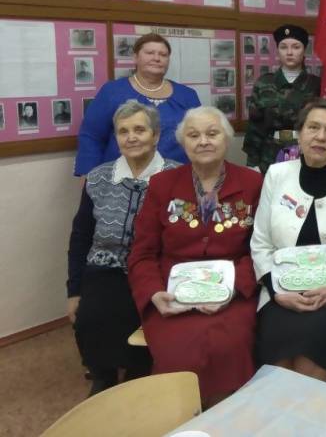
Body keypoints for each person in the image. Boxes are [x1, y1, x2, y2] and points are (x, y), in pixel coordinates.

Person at [128, 107, 262, 406]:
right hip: (172, 293)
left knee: (229, 343)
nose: (203, 141)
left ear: (227, 139)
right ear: (183, 142)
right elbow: (142, 253)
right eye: (194, 135)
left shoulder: (252, 183)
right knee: (178, 348)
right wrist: (153, 293)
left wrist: (233, 289)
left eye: (212, 133)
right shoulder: (162, 185)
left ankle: (224, 415)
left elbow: (259, 249)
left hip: (232, 293)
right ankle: (182, 415)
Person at [250, 99, 326, 382]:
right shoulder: (277, 174)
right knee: (278, 362)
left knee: (309, 361)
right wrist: (276, 291)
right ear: (299, 133)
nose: (321, 136)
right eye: (313, 127)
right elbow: (261, 243)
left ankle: (314, 411)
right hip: (280, 294)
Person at [68, 101, 179, 395]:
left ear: (155, 135)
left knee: (142, 320)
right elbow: (80, 237)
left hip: (154, 270)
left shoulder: (178, 176)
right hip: (104, 268)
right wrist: (74, 291)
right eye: (123, 131)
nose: (131, 137)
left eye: (139, 130)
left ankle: (136, 376)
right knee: (90, 318)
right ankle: (103, 376)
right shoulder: (98, 177)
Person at [75, 32, 201, 175]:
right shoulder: (112, 92)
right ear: (136, 57)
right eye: (150, 53)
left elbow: (199, 137)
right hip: (121, 179)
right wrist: (89, 176)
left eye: (163, 54)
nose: (157, 58)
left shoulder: (187, 95)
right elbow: (92, 137)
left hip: (176, 177)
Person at [243, 24, 321, 173]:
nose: (289, 52)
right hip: (270, 157)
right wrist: (252, 164)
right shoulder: (264, 83)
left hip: (307, 154)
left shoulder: (316, 85)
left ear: (304, 50)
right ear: (278, 50)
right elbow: (255, 127)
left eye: (296, 47)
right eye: (283, 47)